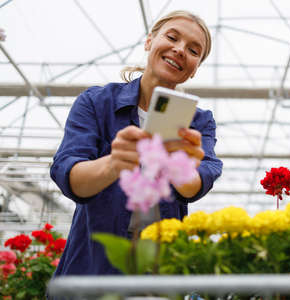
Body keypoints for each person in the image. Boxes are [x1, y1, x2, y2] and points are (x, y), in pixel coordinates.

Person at [50, 10, 223, 276]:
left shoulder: (198, 122)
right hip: (94, 264)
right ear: (149, 41)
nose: (179, 50)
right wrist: (113, 164)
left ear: (194, 69)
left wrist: (180, 168)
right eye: (172, 37)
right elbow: (68, 174)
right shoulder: (97, 103)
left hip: (158, 267)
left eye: (193, 50)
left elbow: (199, 181)